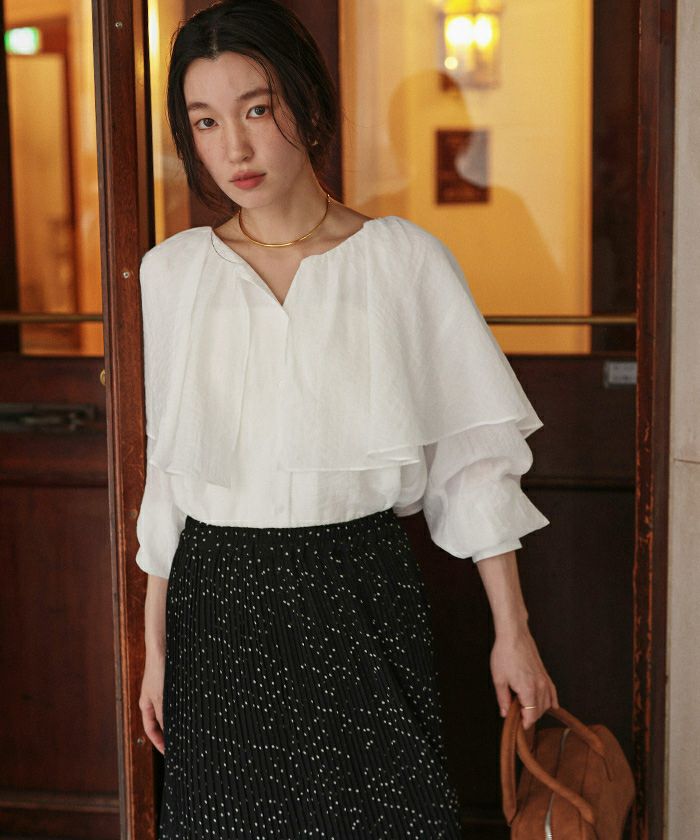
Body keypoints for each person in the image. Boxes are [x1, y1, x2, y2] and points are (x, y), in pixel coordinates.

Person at [136, 0, 558, 836]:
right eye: (207, 121)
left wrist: (514, 632)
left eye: (258, 109)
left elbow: (472, 463)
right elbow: (168, 477)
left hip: (358, 588)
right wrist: (153, 651)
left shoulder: (403, 261)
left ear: (308, 103)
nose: (236, 147)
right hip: (219, 604)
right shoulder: (173, 274)